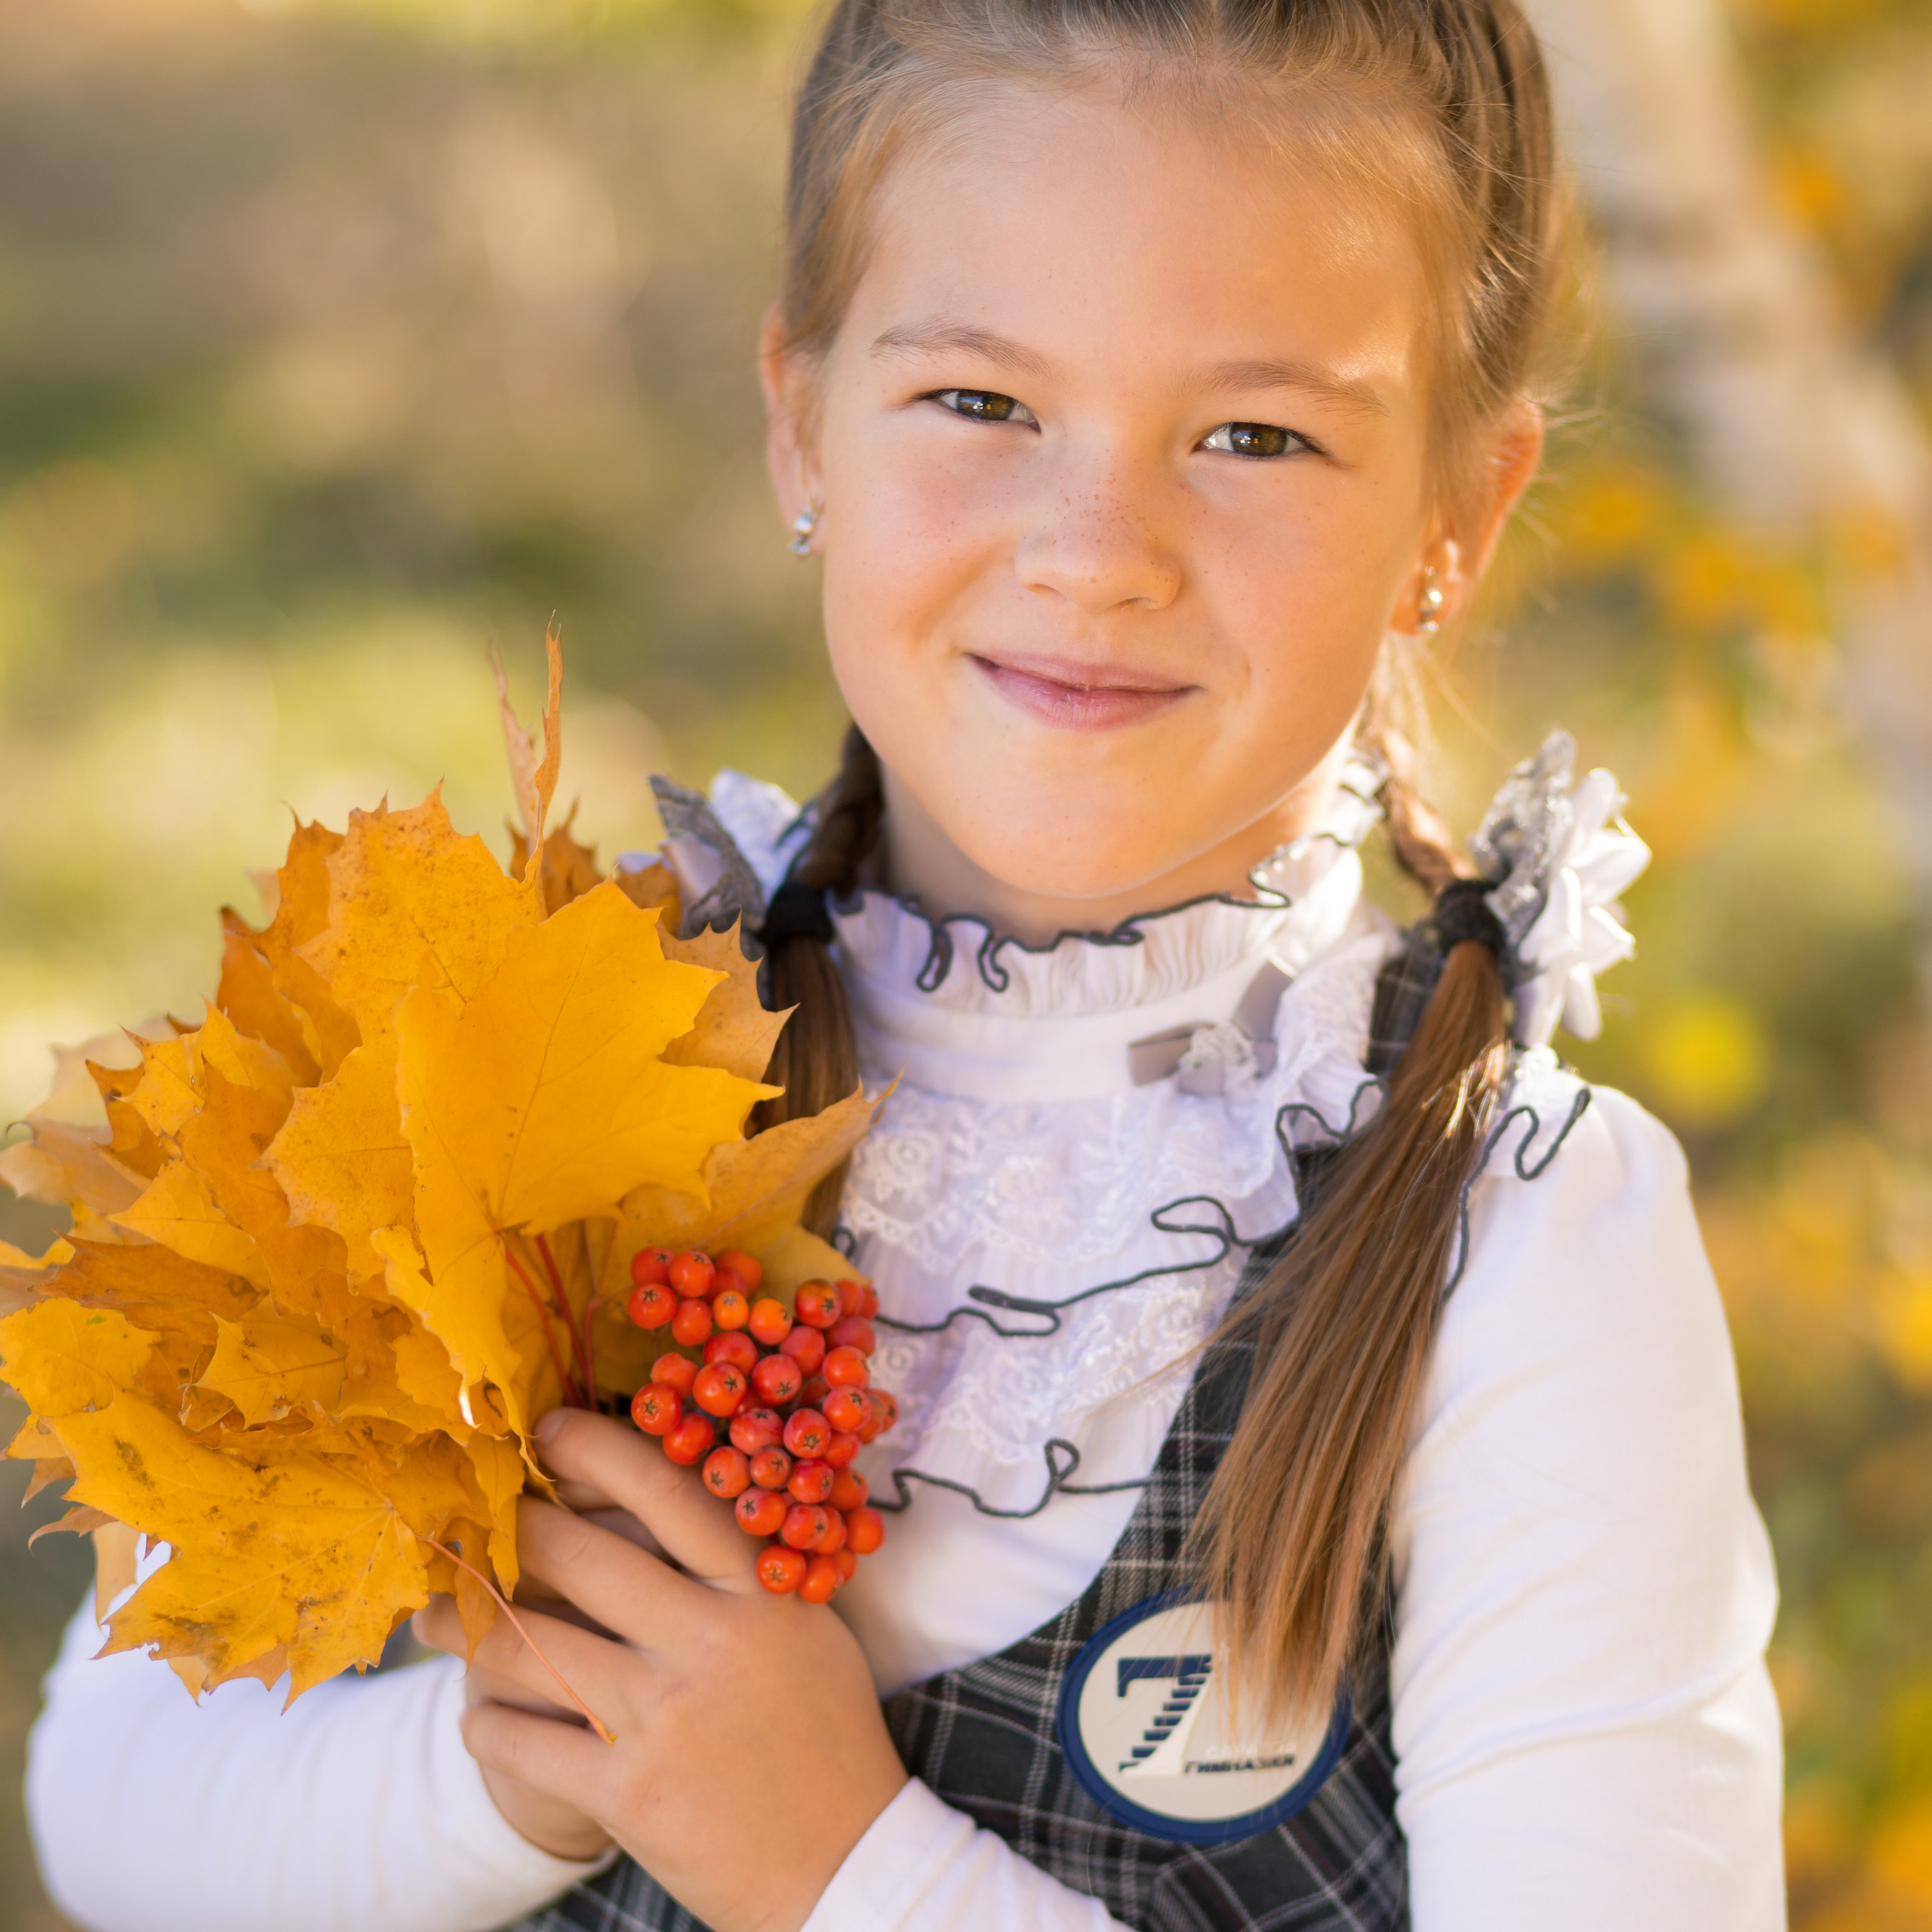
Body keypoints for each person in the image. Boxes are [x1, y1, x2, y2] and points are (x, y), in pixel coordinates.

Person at [26, 2, 1786, 1928]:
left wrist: (837, 1866)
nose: (1095, 546)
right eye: (980, 403)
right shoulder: (505, 1062)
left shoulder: (1518, 1242)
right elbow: (119, 1804)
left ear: (1454, 516)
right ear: (799, 414)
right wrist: (502, 1774)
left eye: (1255, 434)